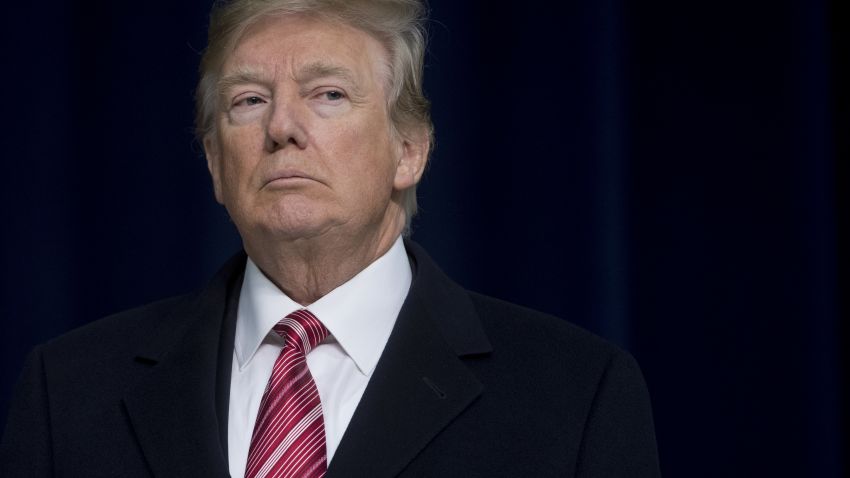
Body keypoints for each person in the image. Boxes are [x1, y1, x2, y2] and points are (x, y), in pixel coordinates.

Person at [0, 0, 661, 476]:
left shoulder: (574, 395)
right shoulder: (69, 391)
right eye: (249, 100)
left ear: (409, 150)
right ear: (213, 163)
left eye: (328, 94)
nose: (282, 126)